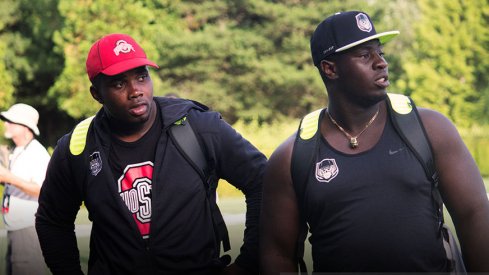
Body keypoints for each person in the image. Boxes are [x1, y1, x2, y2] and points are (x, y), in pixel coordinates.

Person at [259, 10, 489, 273]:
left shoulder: (430, 128)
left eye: (380, 52)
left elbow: (475, 214)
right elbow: (277, 254)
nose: (381, 63)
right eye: (364, 55)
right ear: (330, 69)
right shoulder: (292, 156)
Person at [35, 33, 266, 275]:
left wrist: (248, 262)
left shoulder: (197, 125)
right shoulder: (76, 148)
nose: (136, 91)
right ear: (97, 94)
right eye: (119, 83)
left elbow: (262, 180)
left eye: (142, 76)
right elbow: (52, 221)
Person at [0, 103, 50, 275]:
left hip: (28, 229)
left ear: (25, 127)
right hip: (16, 227)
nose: (6, 124)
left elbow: (43, 191)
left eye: (11, 121)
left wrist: (8, 177)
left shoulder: (36, 153)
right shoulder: (18, 151)